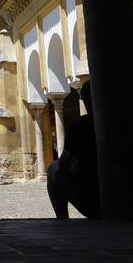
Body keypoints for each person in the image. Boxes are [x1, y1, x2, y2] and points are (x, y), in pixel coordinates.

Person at [46, 81, 101, 219]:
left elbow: (64, 162)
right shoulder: (126, 121)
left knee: (53, 168)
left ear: (85, 101)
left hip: (97, 204)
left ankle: (62, 218)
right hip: (132, 200)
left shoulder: (81, 125)